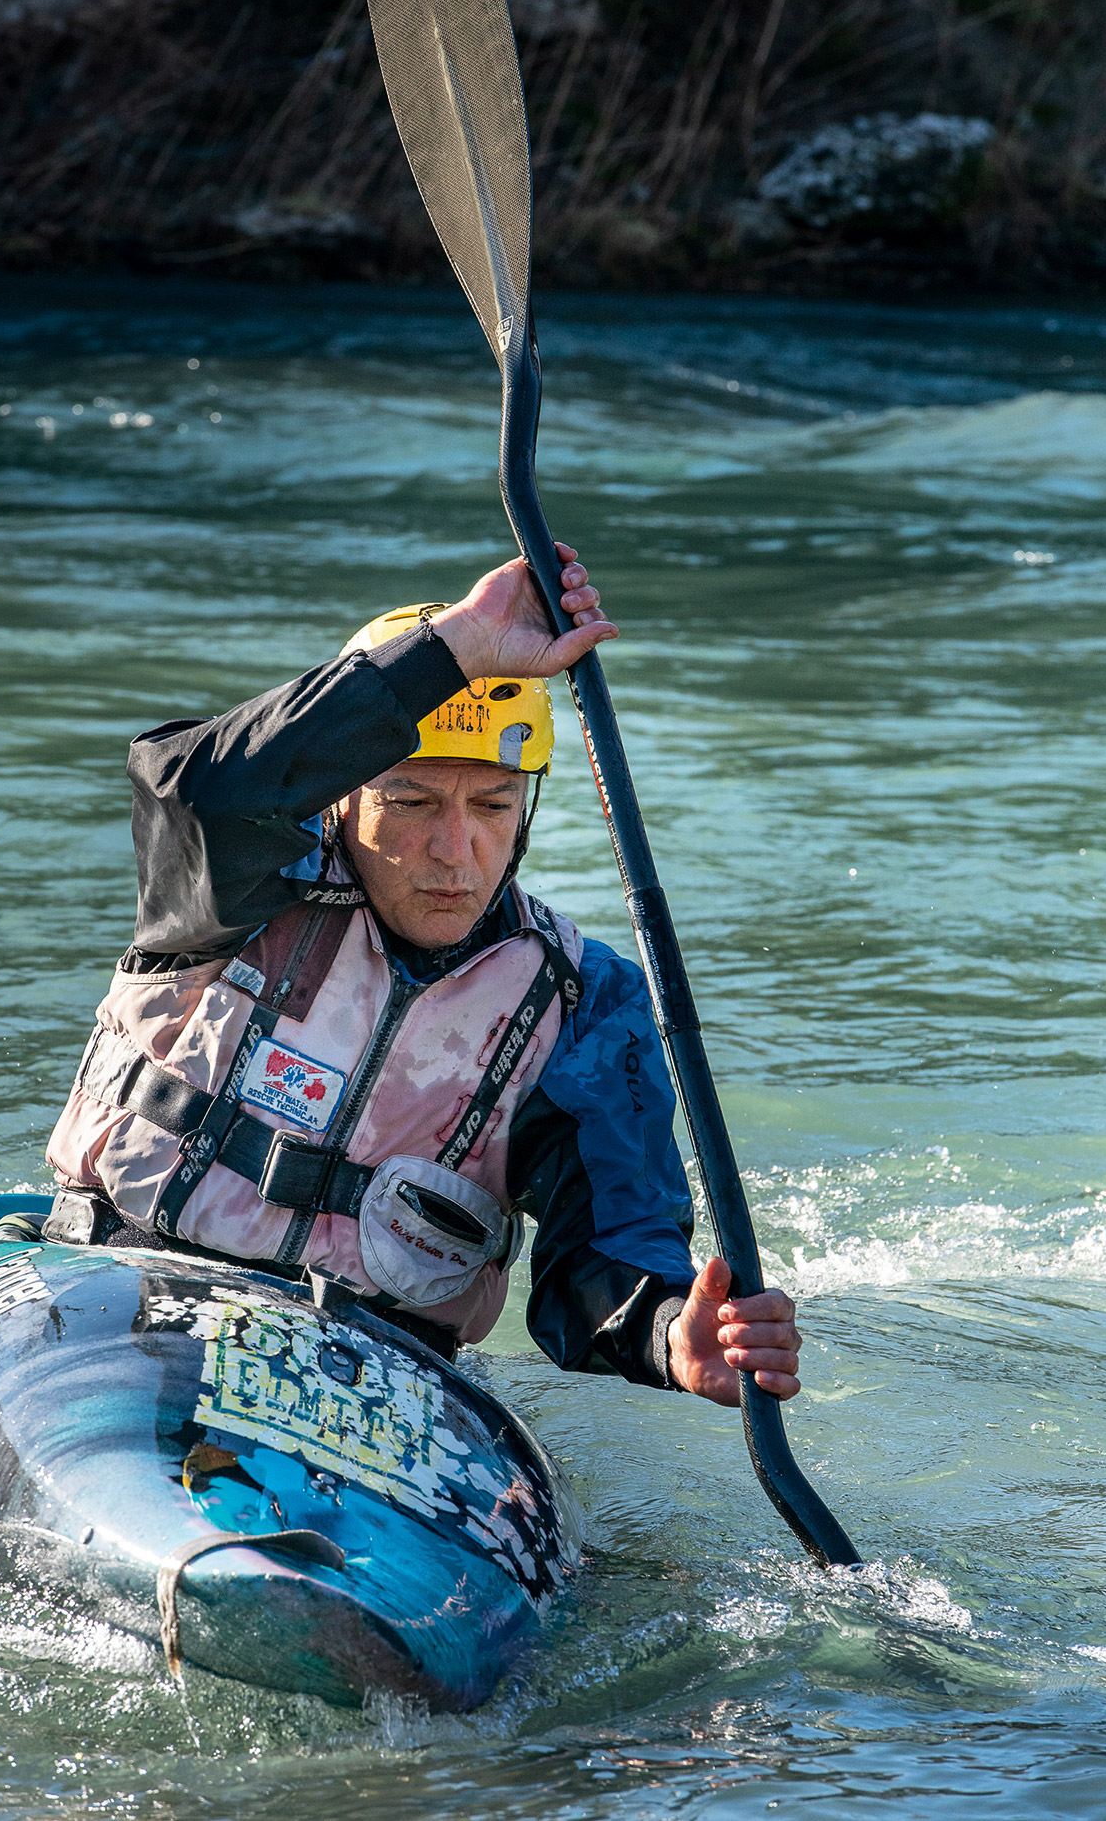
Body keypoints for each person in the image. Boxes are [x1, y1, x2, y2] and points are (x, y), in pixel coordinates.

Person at [46, 545, 801, 1407]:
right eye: (409, 803)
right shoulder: (237, 882)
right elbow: (195, 784)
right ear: (342, 800)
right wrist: (455, 649)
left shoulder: (585, 999)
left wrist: (669, 1328)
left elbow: (609, 1239)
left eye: (490, 807)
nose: (454, 852)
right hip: (127, 1294)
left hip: (373, 1370)